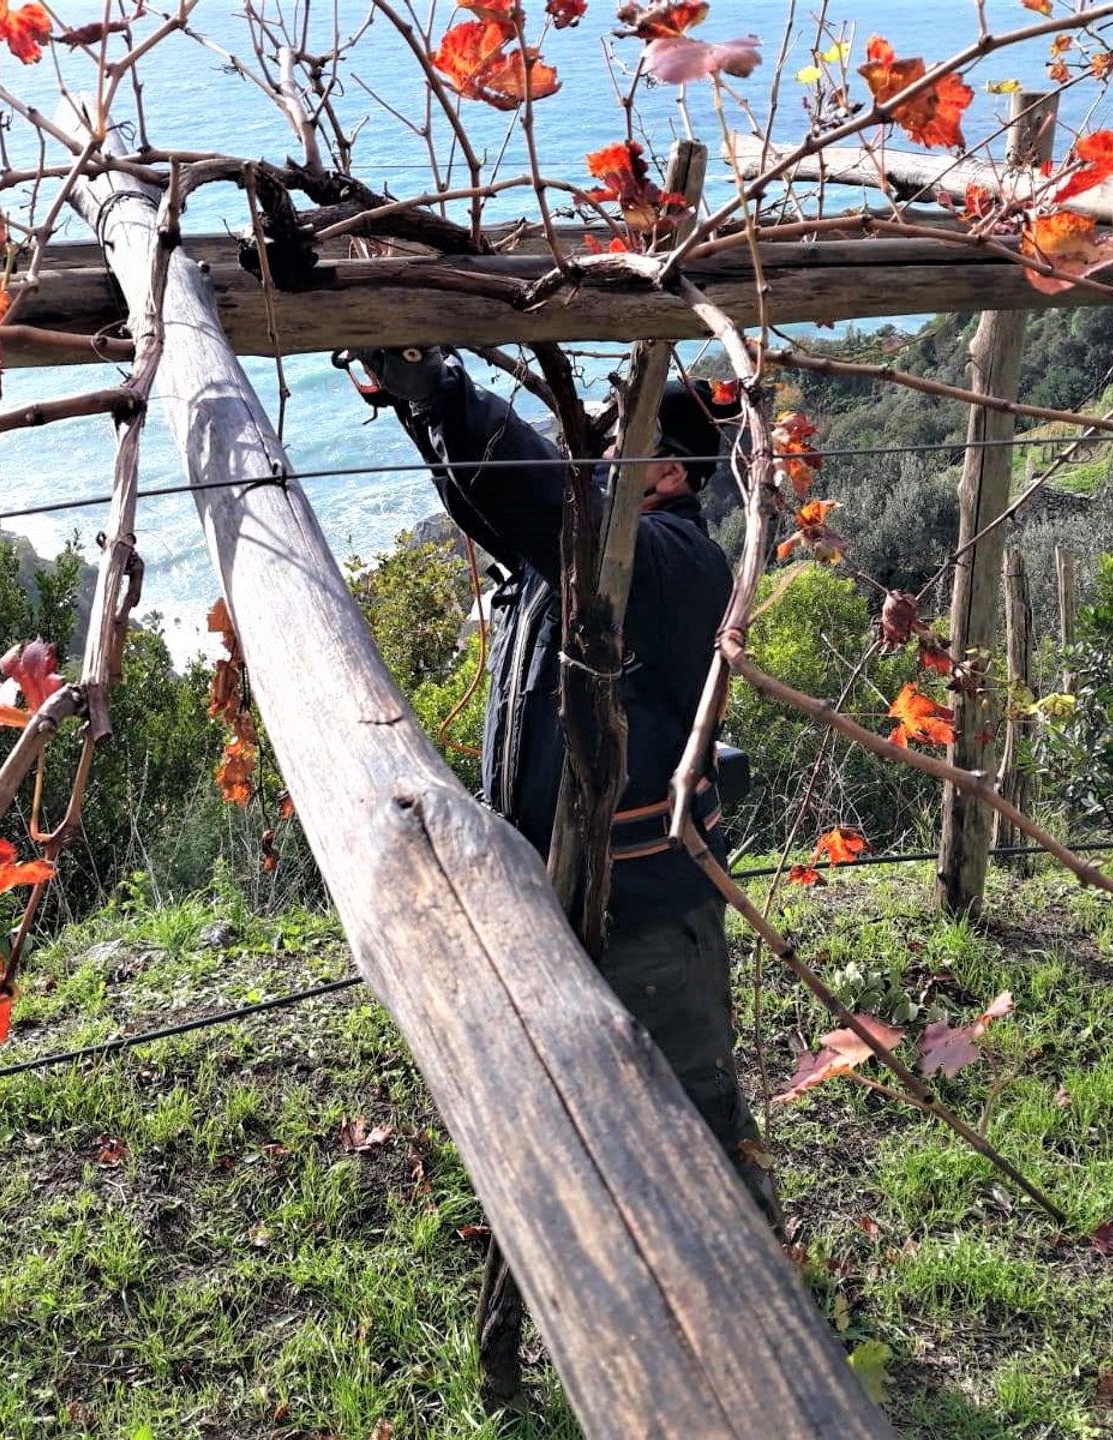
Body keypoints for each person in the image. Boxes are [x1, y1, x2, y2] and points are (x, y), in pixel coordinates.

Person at [350, 347, 780, 1402]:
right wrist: (421, 404)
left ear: (669, 471)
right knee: (590, 1124)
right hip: (571, 893)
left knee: (690, 1121)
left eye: (613, 434)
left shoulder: (672, 564)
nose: (589, 443)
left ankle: (756, 1324)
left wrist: (447, 392)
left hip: (650, 915)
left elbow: (544, 510)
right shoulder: (588, 554)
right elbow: (507, 512)